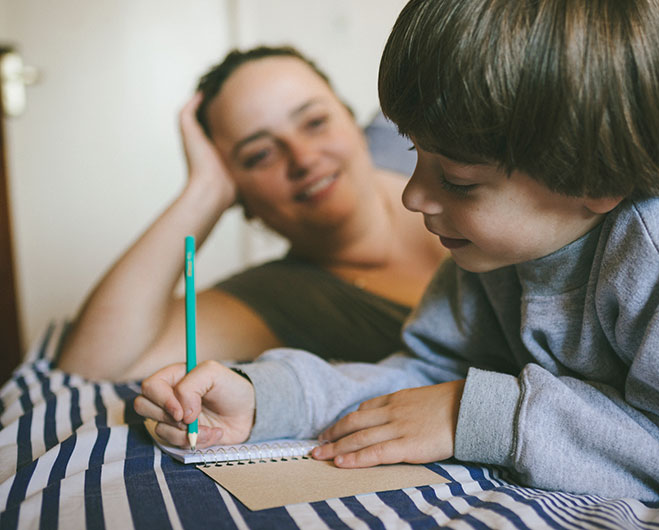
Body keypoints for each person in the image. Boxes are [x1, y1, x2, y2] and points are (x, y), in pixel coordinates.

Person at [134, 0, 659, 505]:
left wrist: (483, 414)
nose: (413, 196)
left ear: (595, 177)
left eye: (455, 179)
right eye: (414, 154)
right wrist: (266, 400)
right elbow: (426, 374)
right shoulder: (494, 252)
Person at [57, 46, 445, 381]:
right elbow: (93, 363)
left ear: (352, 120)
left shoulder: (454, 162)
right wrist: (203, 193)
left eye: (315, 122)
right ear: (238, 195)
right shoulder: (278, 297)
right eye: (260, 154)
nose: (304, 158)